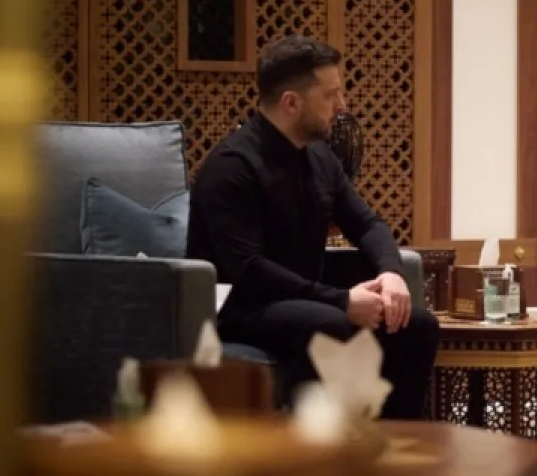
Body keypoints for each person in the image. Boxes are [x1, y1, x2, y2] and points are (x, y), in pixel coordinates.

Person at [187, 35, 439, 419]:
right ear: (291, 103)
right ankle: (307, 445)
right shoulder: (232, 168)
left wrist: (391, 272)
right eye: (331, 95)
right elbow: (249, 271)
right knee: (331, 324)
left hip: (304, 298)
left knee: (416, 324)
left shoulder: (321, 158)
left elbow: (366, 223)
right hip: (242, 309)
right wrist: (342, 300)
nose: (342, 106)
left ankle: (393, 445)